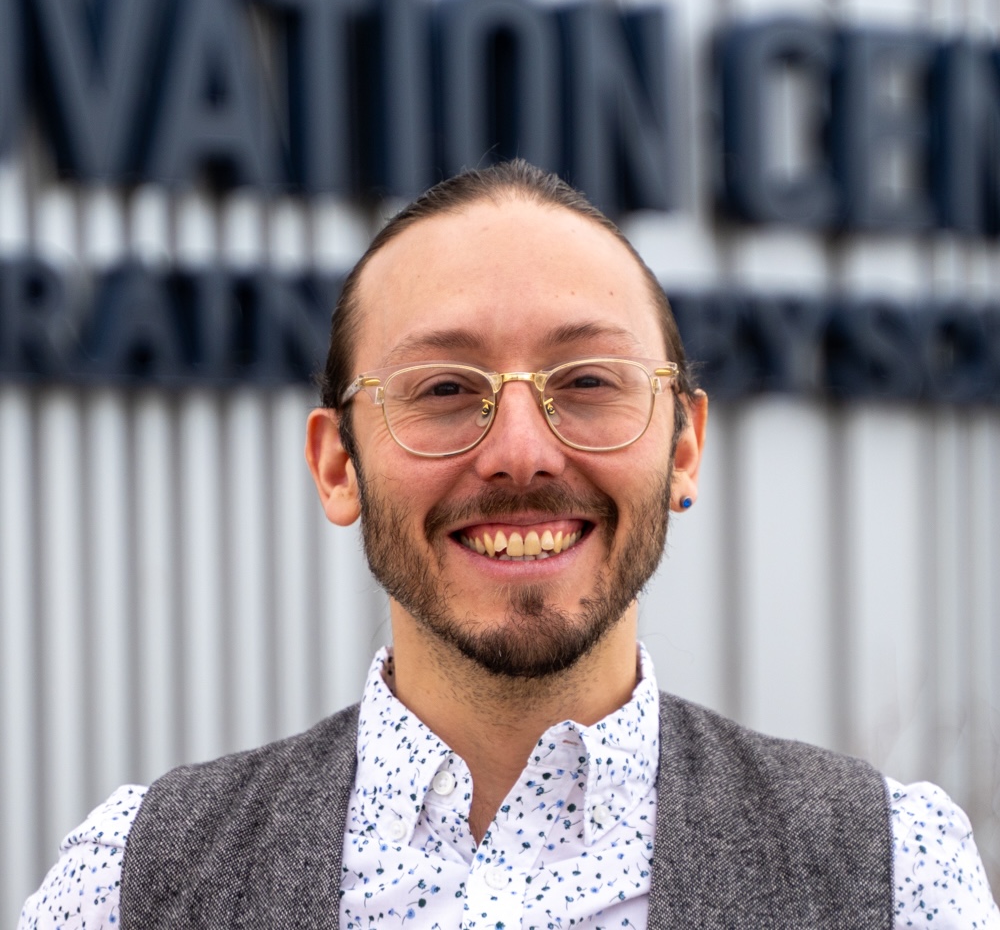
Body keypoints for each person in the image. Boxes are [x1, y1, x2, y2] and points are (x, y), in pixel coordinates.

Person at [19, 161, 999, 929]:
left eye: (587, 380)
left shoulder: (893, 873)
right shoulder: (130, 884)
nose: (520, 453)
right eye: (443, 389)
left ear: (684, 445)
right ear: (336, 466)